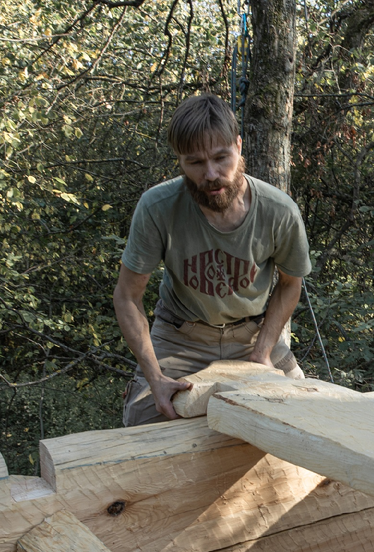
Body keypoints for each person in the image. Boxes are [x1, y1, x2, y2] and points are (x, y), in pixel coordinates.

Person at [115, 94, 311, 427]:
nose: (210, 174)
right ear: (179, 161)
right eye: (195, 163)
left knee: (306, 420)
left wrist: (263, 352)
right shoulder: (157, 207)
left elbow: (290, 285)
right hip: (180, 336)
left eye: (221, 158)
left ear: (238, 146)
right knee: (141, 425)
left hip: (252, 333)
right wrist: (155, 377)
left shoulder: (279, 211)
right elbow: (127, 296)